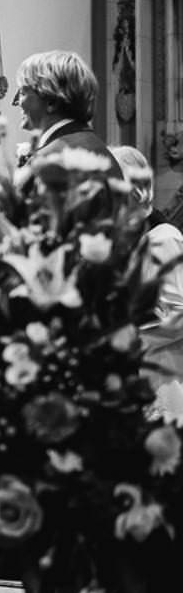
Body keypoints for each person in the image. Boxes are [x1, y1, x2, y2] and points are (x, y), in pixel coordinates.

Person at [110, 145, 183, 411]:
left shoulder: (163, 238)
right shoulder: (129, 242)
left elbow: (177, 315)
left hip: (162, 379)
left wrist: (122, 335)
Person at [11, 50, 121, 180]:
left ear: (51, 102)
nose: (16, 102)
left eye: (23, 93)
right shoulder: (105, 155)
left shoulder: (49, 161)